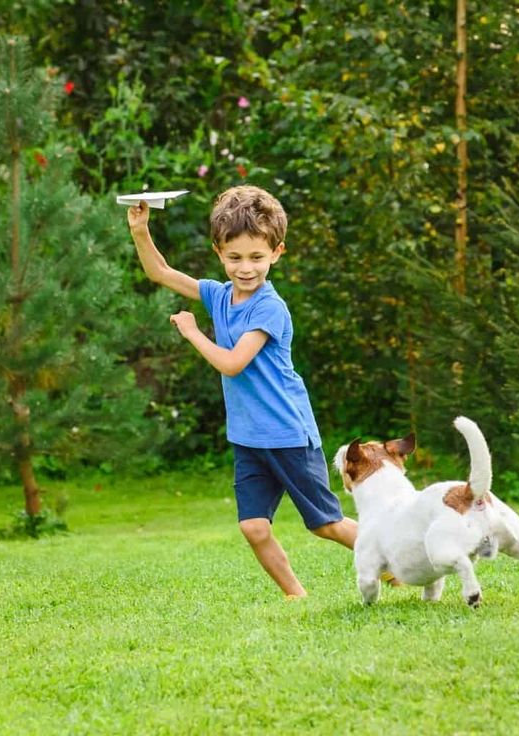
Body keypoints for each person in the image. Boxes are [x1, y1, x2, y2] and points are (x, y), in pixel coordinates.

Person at [127, 185, 370, 599]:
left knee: (325, 524)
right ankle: (296, 596)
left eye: (257, 257)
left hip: (288, 434)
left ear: (277, 253)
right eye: (235, 257)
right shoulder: (219, 295)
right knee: (254, 527)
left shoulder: (269, 307)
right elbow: (161, 273)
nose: (245, 268)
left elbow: (232, 363)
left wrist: (191, 331)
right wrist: (140, 231)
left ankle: (396, 559)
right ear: (219, 252)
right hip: (249, 438)